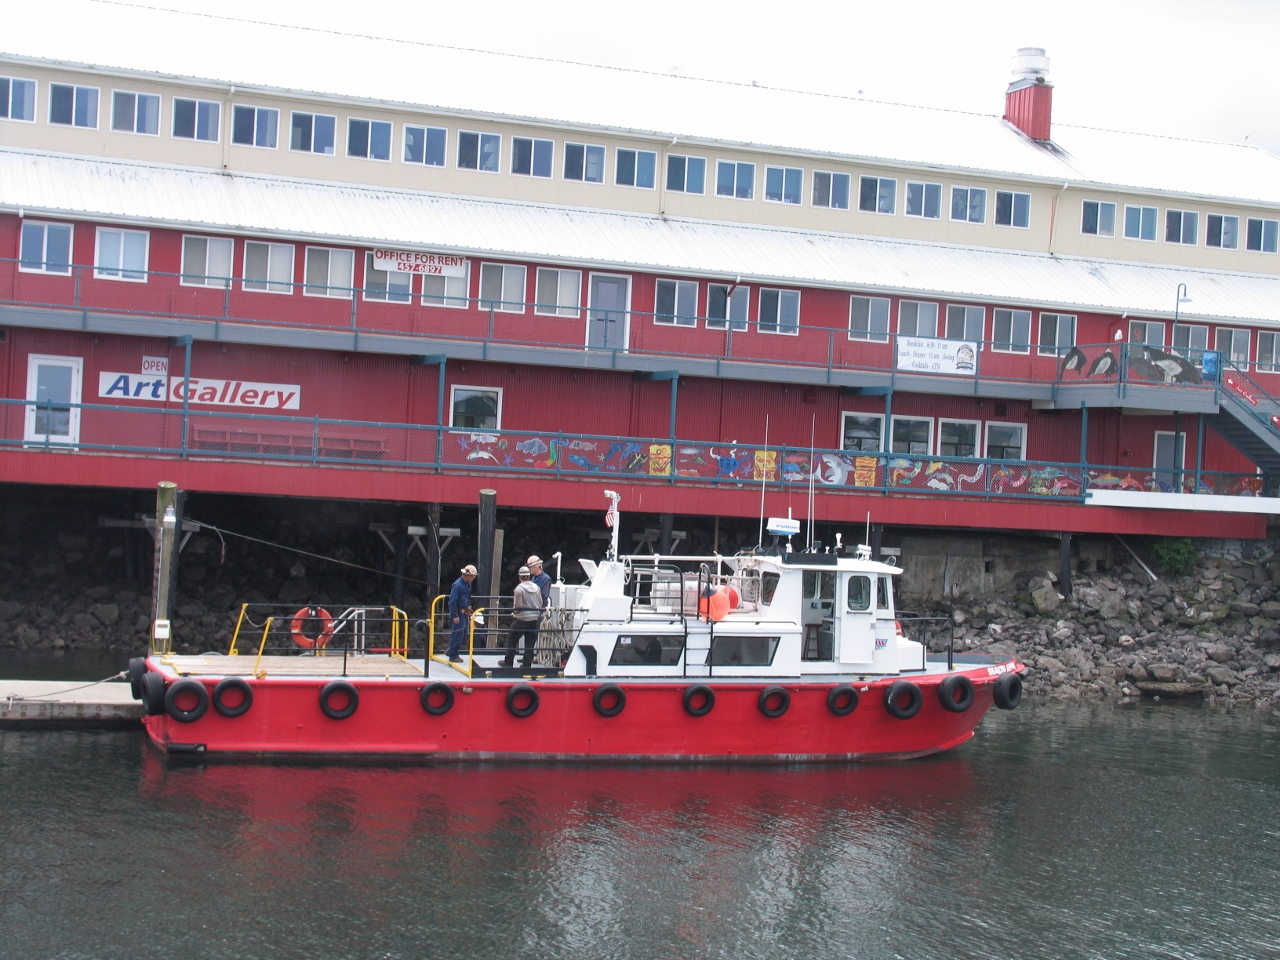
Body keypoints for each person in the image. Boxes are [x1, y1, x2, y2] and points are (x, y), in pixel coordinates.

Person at [502, 565, 543, 670]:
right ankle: (526, 664)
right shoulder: (536, 587)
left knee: (512, 639)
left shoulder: (519, 589)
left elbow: (518, 606)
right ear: (528, 577)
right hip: (534, 619)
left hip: (521, 619)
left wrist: (515, 613)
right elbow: (540, 603)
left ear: (519, 577)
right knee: (529, 643)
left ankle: (508, 662)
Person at [447, 564, 477, 662]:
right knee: (458, 634)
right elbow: (452, 601)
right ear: (467, 575)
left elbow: (465, 598)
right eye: (473, 577)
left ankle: (451, 649)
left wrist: (467, 607)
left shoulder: (468, 585)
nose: (473, 578)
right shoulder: (458, 585)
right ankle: (453, 655)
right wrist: (455, 615)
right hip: (458, 613)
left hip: (464, 612)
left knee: (464, 635)